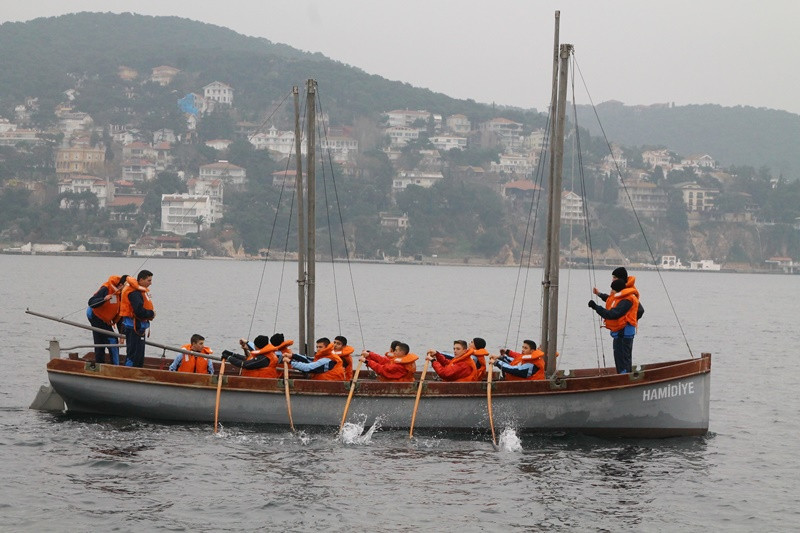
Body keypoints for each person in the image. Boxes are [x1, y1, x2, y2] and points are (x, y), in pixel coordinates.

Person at [589, 278, 640, 374]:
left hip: (624, 333)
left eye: (612, 289)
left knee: (622, 359)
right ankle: (624, 375)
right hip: (620, 333)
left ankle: (624, 378)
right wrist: (599, 294)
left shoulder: (627, 300)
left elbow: (613, 314)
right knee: (620, 358)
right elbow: (609, 299)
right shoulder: (621, 298)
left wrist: (596, 307)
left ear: (617, 290)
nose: (611, 291)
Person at [86, 274, 127, 364]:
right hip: (95, 315)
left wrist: (121, 334)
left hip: (106, 319)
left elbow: (119, 317)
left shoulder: (122, 296)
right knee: (112, 339)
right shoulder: (106, 288)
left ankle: (100, 363)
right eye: (127, 287)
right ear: (120, 285)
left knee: (100, 341)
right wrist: (104, 299)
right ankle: (115, 365)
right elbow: (91, 302)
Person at [119, 270, 155, 367]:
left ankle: (137, 372)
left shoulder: (139, 291)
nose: (150, 283)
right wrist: (151, 313)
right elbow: (138, 311)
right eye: (149, 280)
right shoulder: (134, 293)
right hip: (134, 328)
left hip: (139, 327)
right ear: (141, 280)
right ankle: (128, 374)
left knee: (139, 355)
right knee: (133, 355)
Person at [222, 334, 293, 378]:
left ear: (257, 346)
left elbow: (244, 364)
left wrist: (228, 358)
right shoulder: (266, 354)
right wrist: (232, 354)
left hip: (263, 382)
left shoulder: (264, 358)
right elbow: (248, 359)